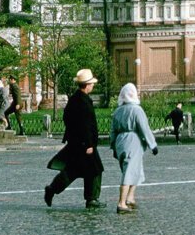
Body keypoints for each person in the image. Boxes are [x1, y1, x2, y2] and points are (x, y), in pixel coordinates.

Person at [44, 68, 104, 209]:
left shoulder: (75, 99)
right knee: (94, 170)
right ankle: (91, 199)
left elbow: (67, 119)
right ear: (87, 85)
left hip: (76, 142)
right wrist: (88, 144)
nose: (93, 85)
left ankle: (52, 189)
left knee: (74, 170)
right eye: (91, 83)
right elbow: (85, 125)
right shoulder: (82, 101)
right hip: (84, 144)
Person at [110, 83, 158, 212]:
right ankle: (121, 203)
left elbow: (112, 131)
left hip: (120, 142)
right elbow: (144, 128)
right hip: (133, 141)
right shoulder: (136, 110)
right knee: (129, 171)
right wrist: (152, 144)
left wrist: (113, 146)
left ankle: (130, 197)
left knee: (134, 169)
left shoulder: (118, 111)